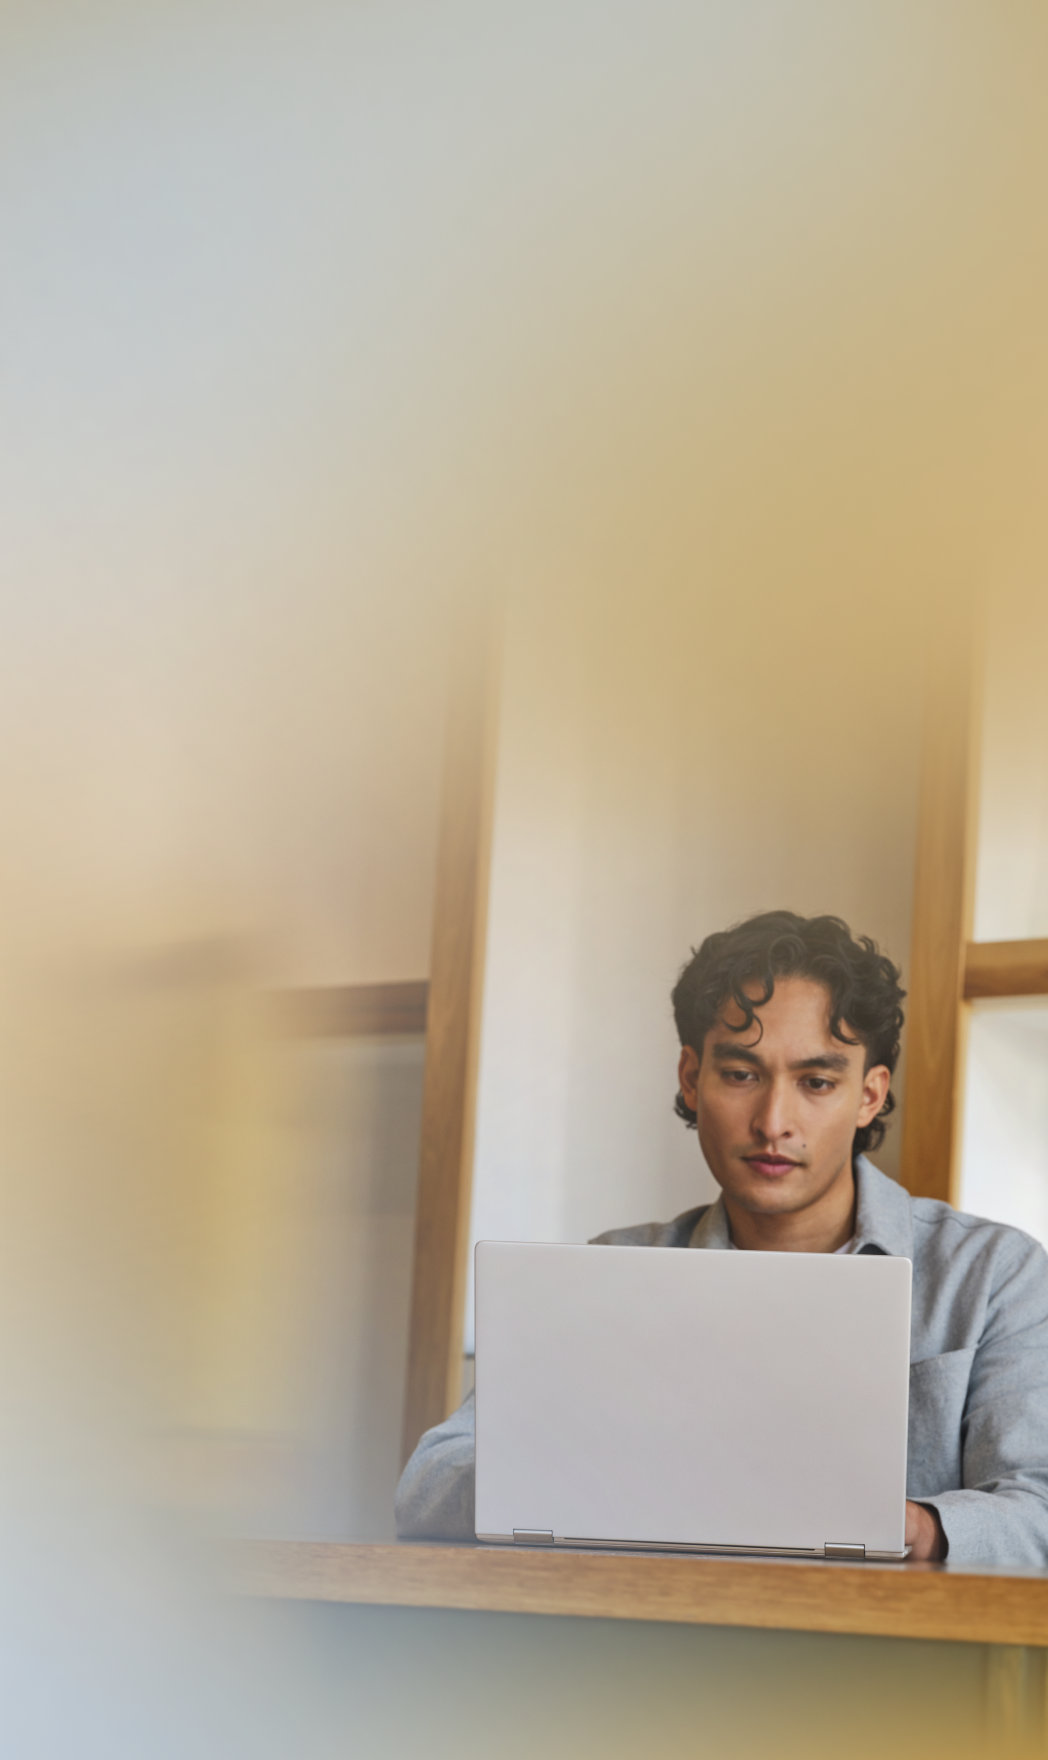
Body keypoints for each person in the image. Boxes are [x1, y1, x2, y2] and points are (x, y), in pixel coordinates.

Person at [395, 910, 1048, 1564]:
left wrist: (914, 1525)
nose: (772, 1122)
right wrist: (597, 1486)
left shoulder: (993, 1276)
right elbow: (430, 1481)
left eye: (816, 1082)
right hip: (664, 1644)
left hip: (898, 1656)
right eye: (741, 1075)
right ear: (691, 1078)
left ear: (869, 1097)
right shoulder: (616, 1271)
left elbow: (1038, 1510)